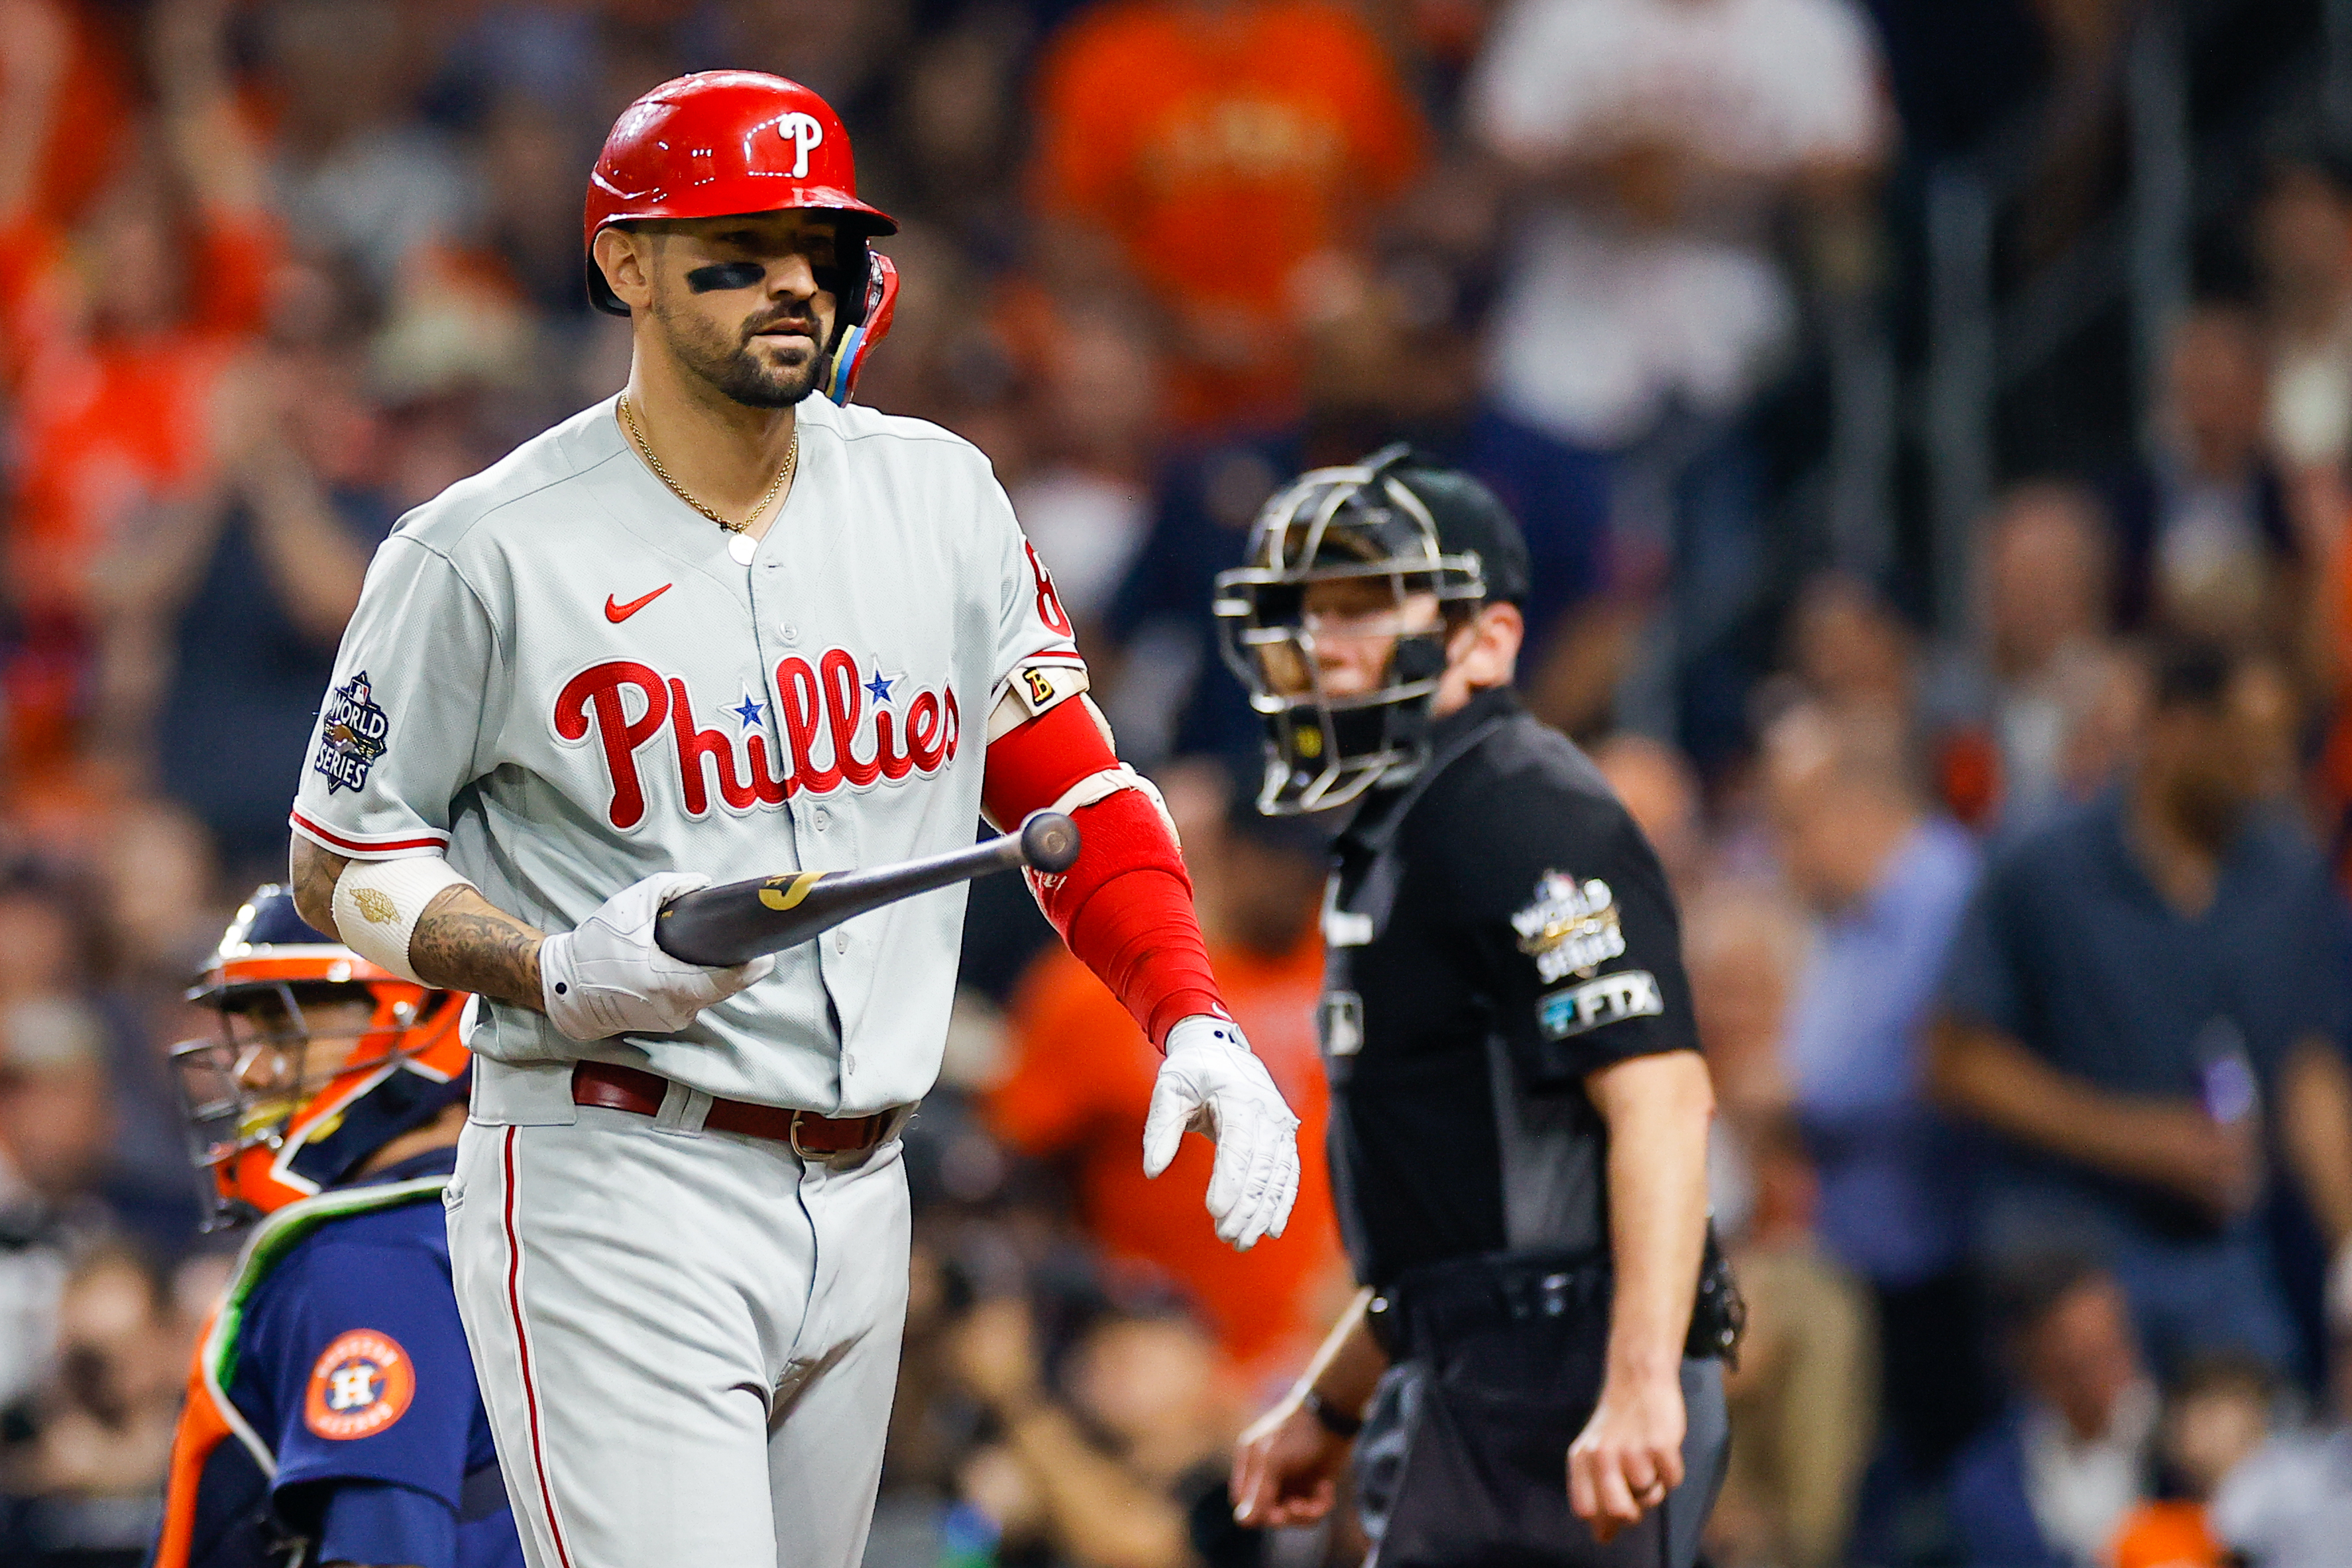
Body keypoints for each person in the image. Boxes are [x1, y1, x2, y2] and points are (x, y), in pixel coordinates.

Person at [282, 73, 1300, 1568]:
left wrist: (1190, 1015)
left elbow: (1072, 791)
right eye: (738, 247)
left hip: (867, 1186)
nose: (789, 282)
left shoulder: (935, 491)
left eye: (817, 248)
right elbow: (342, 858)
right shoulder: (480, 549)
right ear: (625, 263)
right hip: (617, 1170)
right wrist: (549, 966)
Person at [1220, 448, 1734, 1562]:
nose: (1322, 645)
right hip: (1472, 1370)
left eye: (1363, 607)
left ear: (1487, 639)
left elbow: (1658, 1097)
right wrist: (1331, 1402)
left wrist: (1639, 1380)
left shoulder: (1521, 812)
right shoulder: (1409, 828)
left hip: (1559, 1373)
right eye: (1307, 612)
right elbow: (1450, 1231)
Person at [1931, 636, 2352, 1378]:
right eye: (2248, 745)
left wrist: (2350, 1250)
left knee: (2251, 1433)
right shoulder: (2044, 865)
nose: (2271, 772)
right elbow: (1956, 1060)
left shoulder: (2287, 873)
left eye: (2282, 747)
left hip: (2229, 1244)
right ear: (2177, 728)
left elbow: (2310, 1066)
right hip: (2067, 1239)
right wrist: (2135, 1137)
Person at [149, 885, 521, 1568]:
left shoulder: (368, 1257)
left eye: (282, 1026)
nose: (251, 1070)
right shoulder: (520, 1219)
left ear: (425, 1016)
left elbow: (383, 1552)